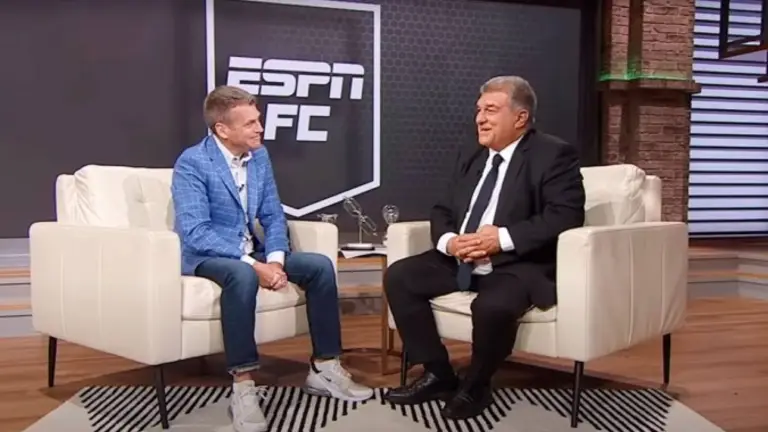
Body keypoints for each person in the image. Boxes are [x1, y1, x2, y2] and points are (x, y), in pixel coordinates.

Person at [171, 85, 373, 432]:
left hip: (254, 252)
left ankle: (324, 367)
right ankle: (243, 385)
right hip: (207, 256)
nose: (260, 128)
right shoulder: (192, 162)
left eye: (258, 119)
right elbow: (197, 232)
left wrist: (276, 259)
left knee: (319, 266)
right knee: (241, 275)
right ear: (222, 129)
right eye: (250, 123)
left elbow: (273, 215)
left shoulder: (259, 157)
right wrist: (255, 265)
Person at [382, 76, 586, 420]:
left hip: (517, 262)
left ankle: (476, 385)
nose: (480, 118)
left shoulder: (553, 154)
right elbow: (442, 209)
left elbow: (565, 215)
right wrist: (451, 242)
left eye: (490, 110)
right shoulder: (472, 154)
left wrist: (500, 239)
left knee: (492, 307)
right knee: (401, 276)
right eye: (479, 110)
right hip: (462, 257)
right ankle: (437, 373)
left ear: (520, 117)